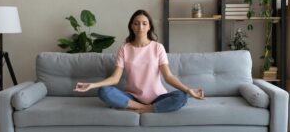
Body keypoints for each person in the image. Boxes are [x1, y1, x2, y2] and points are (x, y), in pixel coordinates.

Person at [74, 9, 204, 113]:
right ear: (131, 26)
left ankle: (145, 109)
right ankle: (141, 107)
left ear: (149, 27)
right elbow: (115, 78)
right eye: (136, 23)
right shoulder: (124, 48)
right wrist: (93, 85)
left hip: (158, 98)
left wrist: (188, 90)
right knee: (103, 91)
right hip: (132, 98)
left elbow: (168, 76)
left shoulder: (158, 47)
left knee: (182, 96)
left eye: (144, 23)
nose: (140, 27)